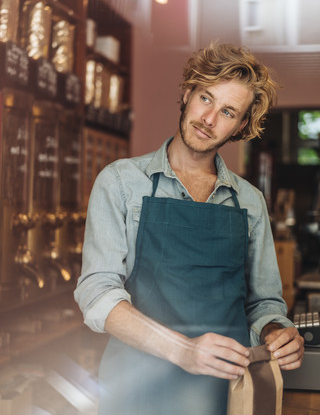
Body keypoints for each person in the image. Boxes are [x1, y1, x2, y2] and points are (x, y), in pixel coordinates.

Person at [74, 41, 304, 415]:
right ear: (187, 93)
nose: (209, 118)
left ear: (241, 125)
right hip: (136, 389)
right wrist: (184, 350)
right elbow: (97, 293)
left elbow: (263, 302)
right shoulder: (120, 181)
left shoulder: (249, 201)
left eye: (228, 111)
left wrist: (276, 331)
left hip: (224, 390)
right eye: (205, 98)